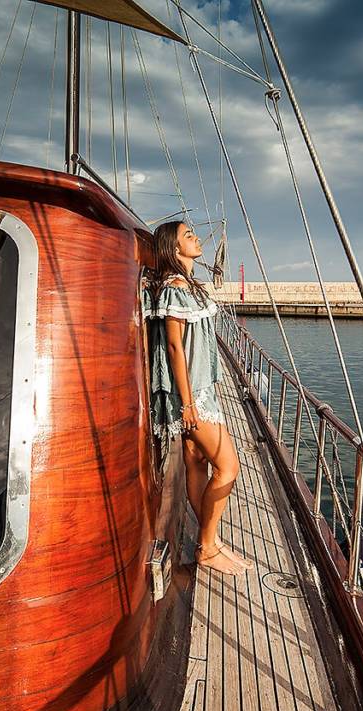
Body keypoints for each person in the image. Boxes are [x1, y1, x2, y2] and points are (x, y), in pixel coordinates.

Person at [143, 220, 251, 576]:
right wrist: (188, 403)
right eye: (187, 235)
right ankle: (207, 546)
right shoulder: (175, 289)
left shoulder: (189, 286)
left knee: (197, 462)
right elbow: (174, 345)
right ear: (174, 250)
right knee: (228, 468)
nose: (195, 238)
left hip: (198, 389)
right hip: (191, 395)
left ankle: (212, 539)